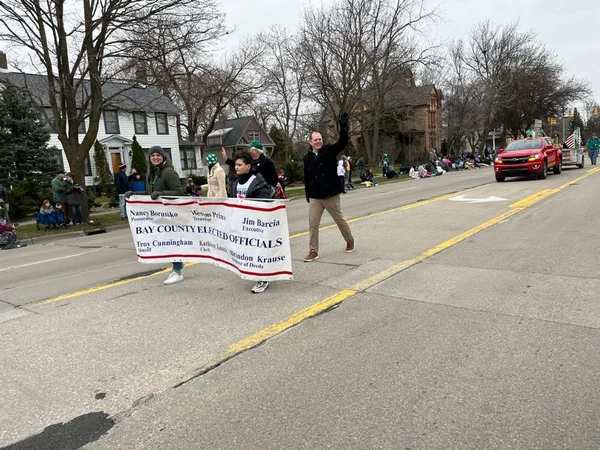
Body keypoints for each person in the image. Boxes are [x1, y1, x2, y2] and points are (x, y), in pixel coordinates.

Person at [125, 146, 184, 285]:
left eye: (158, 155)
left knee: (172, 241)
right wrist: (134, 195)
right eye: (152, 156)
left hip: (171, 214)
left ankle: (177, 270)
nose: (155, 158)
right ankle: (177, 267)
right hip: (159, 215)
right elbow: (150, 193)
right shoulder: (151, 173)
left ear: (163, 157)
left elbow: (179, 192)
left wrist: (162, 193)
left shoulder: (169, 172)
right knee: (166, 240)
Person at [303, 112, 354, 262]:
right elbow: (307, 176)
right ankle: (313, 250)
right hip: (315, 196)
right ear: (310, 142)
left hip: (331, 193)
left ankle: (349, 239)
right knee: (313, 224)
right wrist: (308, 192)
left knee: (339, 219)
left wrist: (344, 127)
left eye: (320, 139)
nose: (318, 141)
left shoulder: (329, 150)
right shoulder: (307, 158)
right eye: (315, 140)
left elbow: (343, 142)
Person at [230, 151, 275, 293]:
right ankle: (253, 271)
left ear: (248, 166)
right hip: (241, 222)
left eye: (239, 164)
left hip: (255, 223)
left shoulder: (258, 181)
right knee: (247, 250)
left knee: (258, 250)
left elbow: (265, 200)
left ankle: (263, 278)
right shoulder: (235, 182)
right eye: (235, 165)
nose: (236, 167)